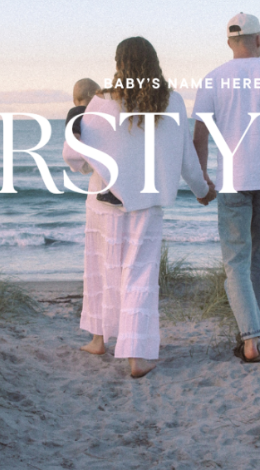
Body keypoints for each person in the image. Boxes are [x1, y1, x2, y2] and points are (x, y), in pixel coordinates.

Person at [64, 37, 212, 379]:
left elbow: (74, 155)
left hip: (102, 201)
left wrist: (91, 167)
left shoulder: (100, 103)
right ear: (154, 64)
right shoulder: (172, 102)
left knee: (101, 270)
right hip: (145, 206)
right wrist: (202, 190)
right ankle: (136, 357)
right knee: (138, 278)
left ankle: (99, 340)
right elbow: (187, 157)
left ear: (119, 66)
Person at [191, 12, 260, 365]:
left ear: (229, 42)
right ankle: (251, 335)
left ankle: (251, 337)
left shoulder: (212, 80)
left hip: (231, 183)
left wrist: (203, 179)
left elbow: (199, 138)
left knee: (235, 264)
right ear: (258, 40)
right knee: (259, 261)